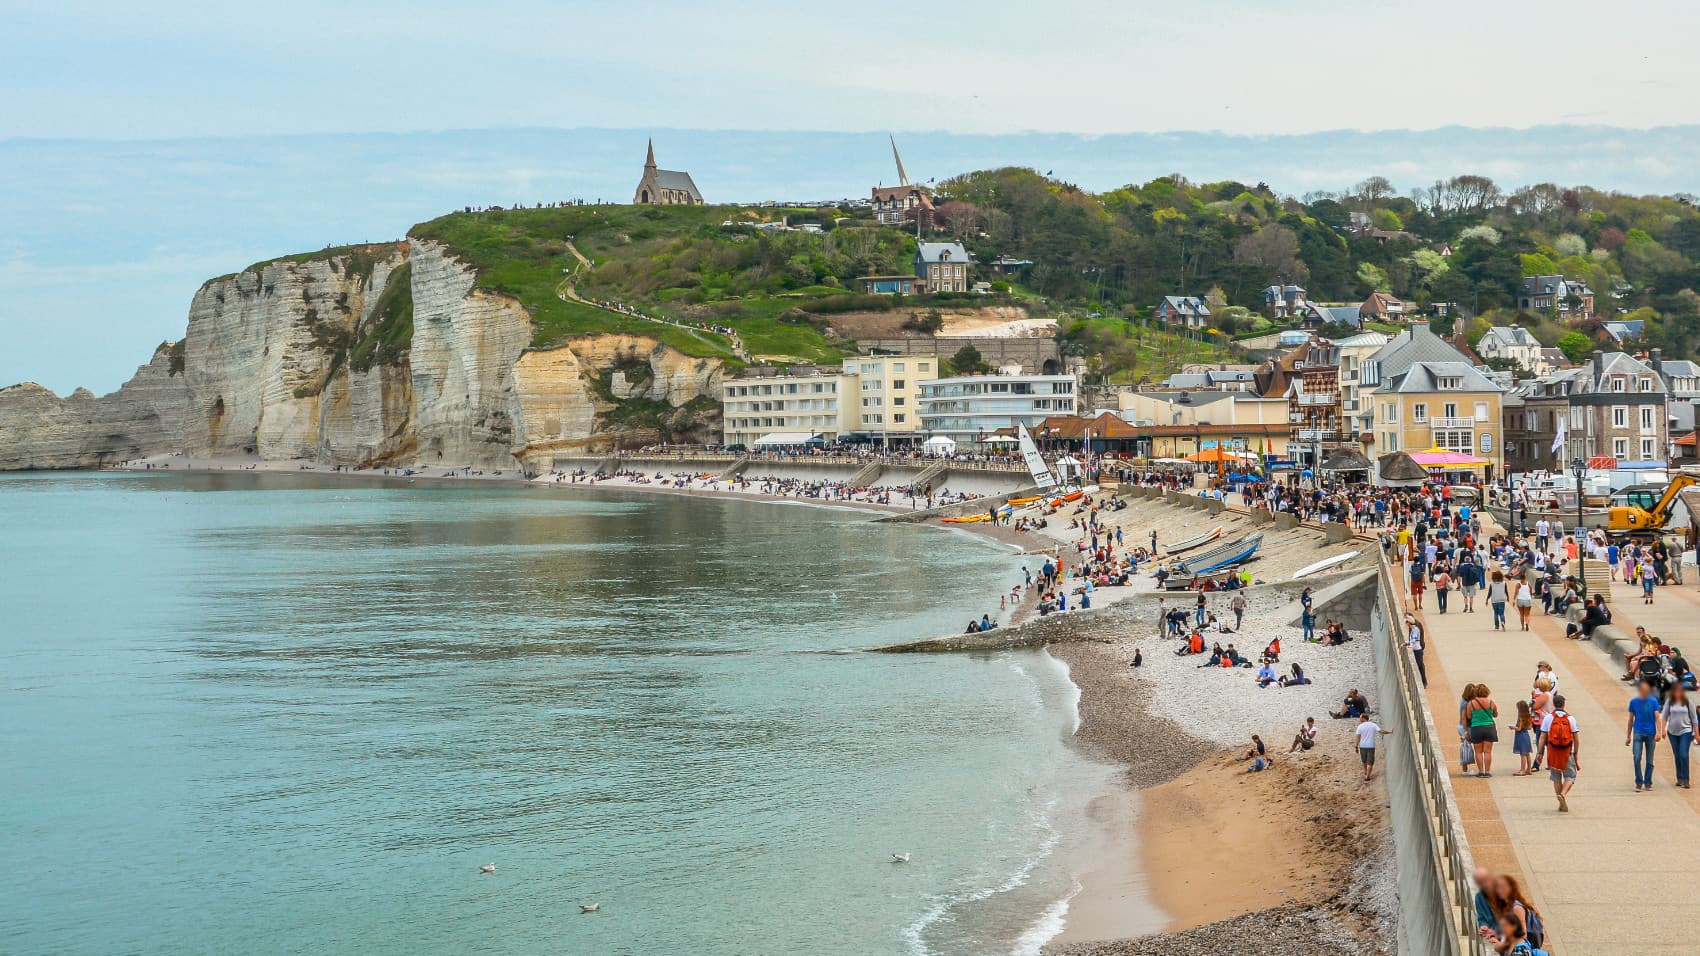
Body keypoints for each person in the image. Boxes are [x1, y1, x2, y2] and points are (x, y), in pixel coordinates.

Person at [1541, 695, 1580, 812]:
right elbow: (1576, 738)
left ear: (1554, 704)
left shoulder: (1548, 718)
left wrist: (1539, 752)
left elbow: (1542, 737)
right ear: (1564, 704)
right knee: (1570, 776)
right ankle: (1563, 794)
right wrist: (1576, 752)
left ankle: (1560, 802)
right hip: (1567, 751)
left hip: (1553, 752)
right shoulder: (1570, 719)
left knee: (1556, 778)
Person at [1628, 679, 1663, 792]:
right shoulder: (1634, 702)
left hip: (1650, 733)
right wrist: (1628, 736)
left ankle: (1648, 781)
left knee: (1650, 759)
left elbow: (1657, 717)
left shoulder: (1653, 701)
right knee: (1637, 757)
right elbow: (1630, 719)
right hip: (1638, 732)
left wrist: (1659, 732)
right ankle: (1639, 781)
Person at [1665, 683, 1696, 789]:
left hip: (1686, 731)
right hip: (1672, 732)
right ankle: (1680, 778)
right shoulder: (1670, 702)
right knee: (1677, 755)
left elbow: (1694, 719)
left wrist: (1697, 734)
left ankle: (1686, 779)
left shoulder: (1688, 702)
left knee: (1683, 754)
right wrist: (1662, 730)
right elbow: (1664, 716)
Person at [1467, 683, 1500, 777]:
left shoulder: (1472, 703)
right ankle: (1487, 771)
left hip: (1476, 727)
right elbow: (1495, 714)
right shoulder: (1491, 702)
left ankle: (1481, 771)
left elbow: (1469, 716)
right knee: (1487, 751)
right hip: (1489, 727)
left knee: (1478, 751)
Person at [1356, 713, 1392, 781]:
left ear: (1364, 718)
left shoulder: (1360, 726)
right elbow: (1381, 731)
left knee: (1364, 761)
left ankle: (1366, 773)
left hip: (1362, 746)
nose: (1359, 719)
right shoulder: (1373, 725)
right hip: (1371, 746)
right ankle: (1368, 775)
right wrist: (1389, 732)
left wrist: (1356, 746)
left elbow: (1358, 737)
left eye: (1360, 718)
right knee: (1370, 762)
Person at [1511, 699, 1535, 776]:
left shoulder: (1521, 717)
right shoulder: (1529, 716)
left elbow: (1519, 729)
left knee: (1523, 754)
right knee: (1527, 753)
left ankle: (1522, 770)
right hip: (1526, 735)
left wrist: (1513, 727)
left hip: (1521, 736)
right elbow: (1530, 728)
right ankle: (1529, 769)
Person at [1404, 613, 1428, 687]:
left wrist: (1411, 644)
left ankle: (1423, 682)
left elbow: (1416, 638)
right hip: (1417, 647)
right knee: (1419, 665)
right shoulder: (1412, 626)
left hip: (1419, 647)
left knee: (1419, 665)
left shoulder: (1416, 626)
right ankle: (1423, 681)